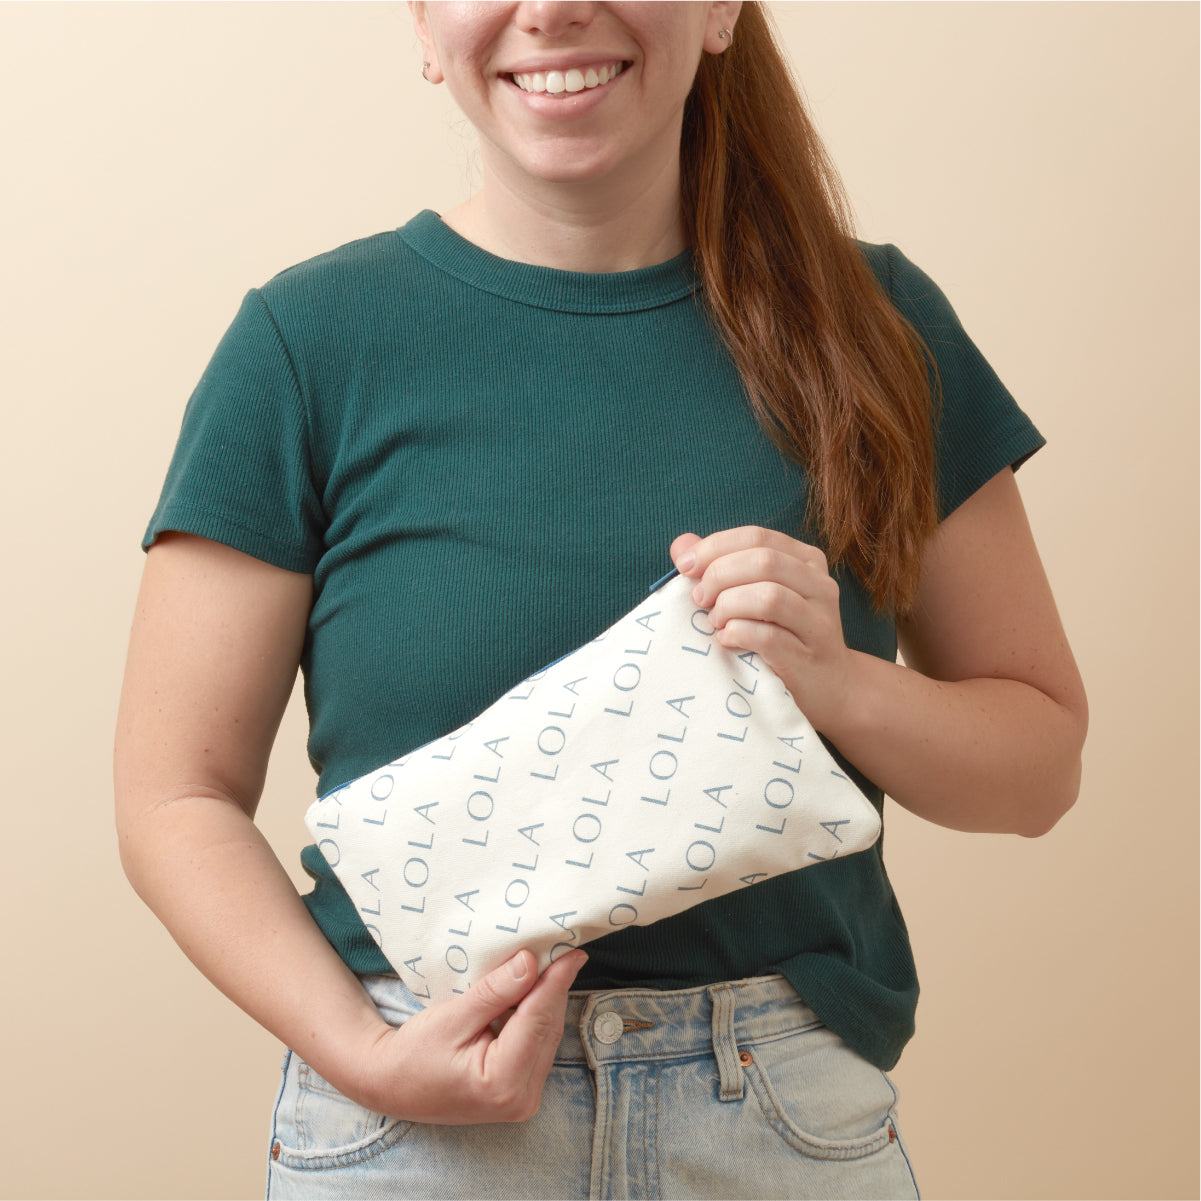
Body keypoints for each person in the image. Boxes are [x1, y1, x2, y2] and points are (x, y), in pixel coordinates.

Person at [114, 3, 1088, 1198]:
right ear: (425, 27)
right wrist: (367, 1054)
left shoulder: (873, 326)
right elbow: (174, 797)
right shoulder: (305, 346)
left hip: (776, 1121)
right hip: (416, 1121)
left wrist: (836, 682)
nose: (554, 7)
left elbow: (1039, 766)